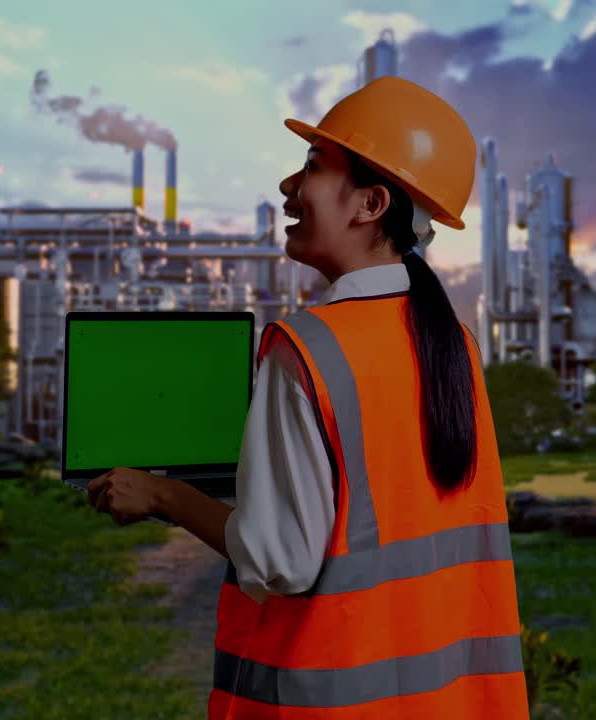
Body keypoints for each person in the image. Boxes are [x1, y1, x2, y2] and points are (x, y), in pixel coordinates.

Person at [89, 75, 528, 718]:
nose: (287, 187)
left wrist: (163, 494)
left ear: (370, 204)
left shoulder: (308, 348)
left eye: (313, 166)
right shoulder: (454, 343)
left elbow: (279, 562)